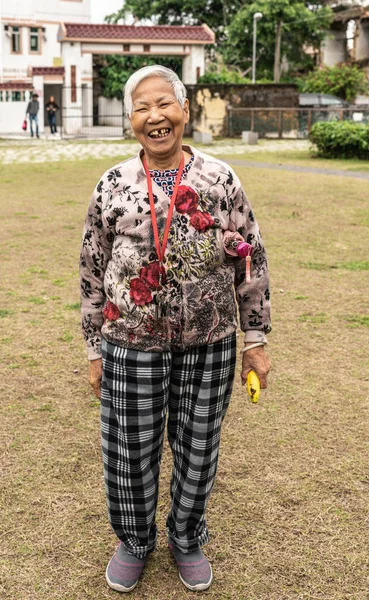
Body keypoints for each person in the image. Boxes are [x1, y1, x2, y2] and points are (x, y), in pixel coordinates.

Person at [80, 65, 271, 594]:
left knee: (198, 447)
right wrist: (95, 348)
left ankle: (186, 537)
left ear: (184, 111)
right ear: (130, 120)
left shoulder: (220, 179)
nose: (154, 117)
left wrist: (254, 339)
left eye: (164, 104)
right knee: (128, 450)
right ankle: (134, 541)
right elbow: (92, 269)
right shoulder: (113, 184)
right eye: (142, 108)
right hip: (129, 344)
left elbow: (249, 258)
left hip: (208, 344)